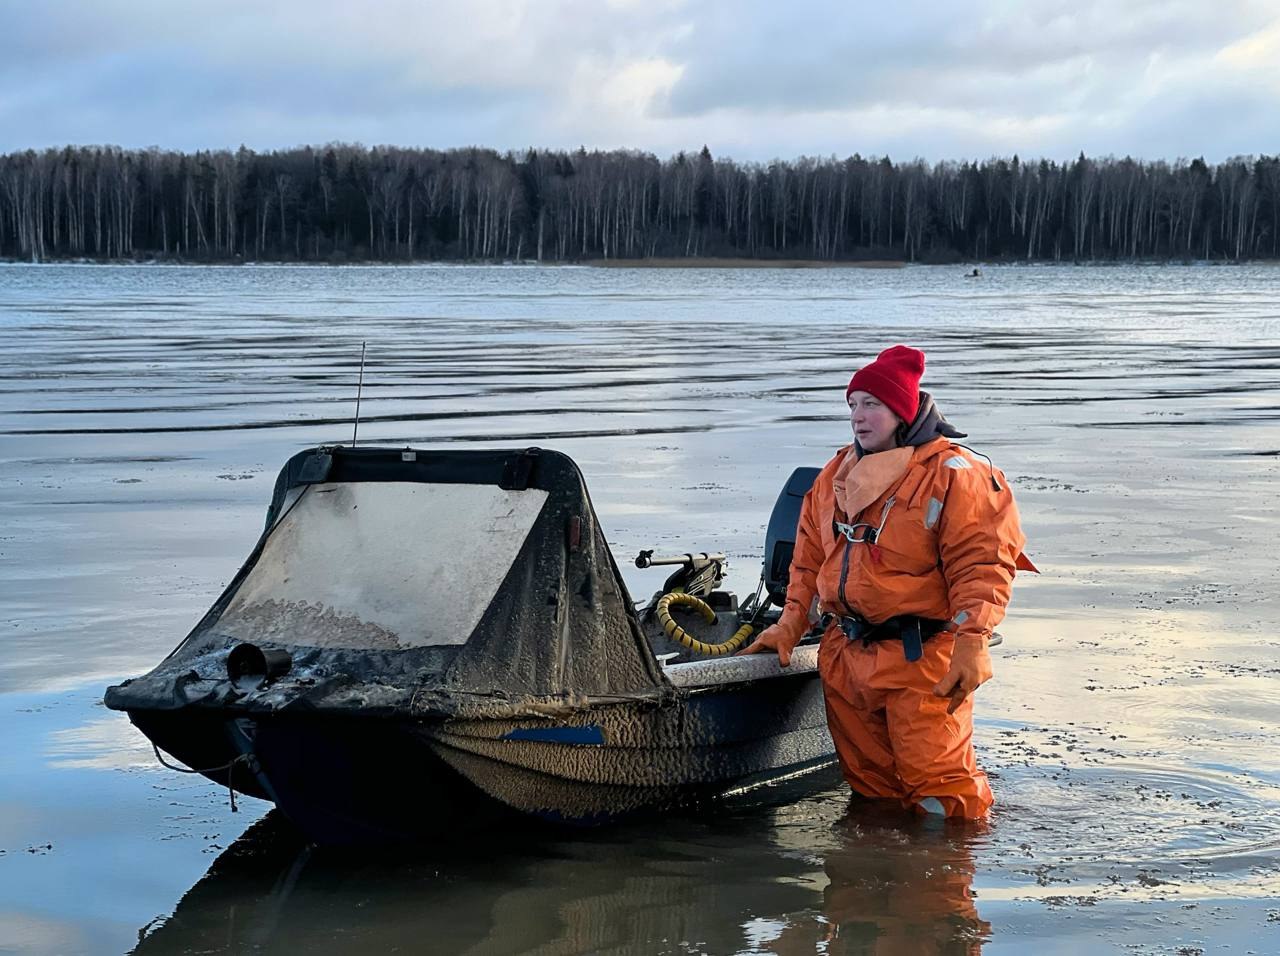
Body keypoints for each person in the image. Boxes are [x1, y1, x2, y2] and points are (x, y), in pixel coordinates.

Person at [740, 345, 1031, 819]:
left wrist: (973, 641)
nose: (858, 415)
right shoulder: (836, 473)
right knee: (872, 795)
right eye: (852, 404)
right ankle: (870, 881)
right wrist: (791, 622)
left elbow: (982, 565)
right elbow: (808, 558)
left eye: (871, 404)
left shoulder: (955, 474)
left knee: (944, 798)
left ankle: (944, 881)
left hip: (922, 659)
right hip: (846, 656)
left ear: (904, 408)